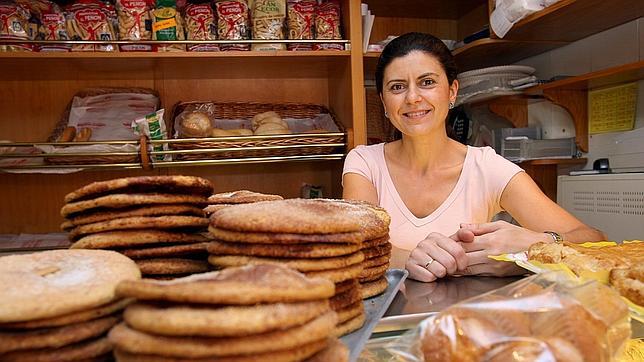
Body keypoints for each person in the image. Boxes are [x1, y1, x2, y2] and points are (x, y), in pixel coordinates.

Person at [342, 32, 605, 282]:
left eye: (427, 82)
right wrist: (409, 258)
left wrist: (533, 246)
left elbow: (595, 240)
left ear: (452, 91)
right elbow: (357, 249)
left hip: (466, 318)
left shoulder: (487, 167)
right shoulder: (364, 163)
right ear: (384, 102)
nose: (413, 97)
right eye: (397, 87)